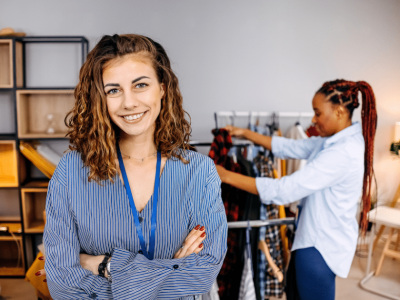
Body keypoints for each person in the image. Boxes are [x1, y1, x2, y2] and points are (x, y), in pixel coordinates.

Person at [41, 34, 227, 299]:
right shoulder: (71, 172)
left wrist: (103, 265)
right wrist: (167, 273)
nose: (128, 102)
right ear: (100, 99)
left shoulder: (199, 172)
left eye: (140, 85)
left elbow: (202, 274)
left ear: (162, 88)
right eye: (113, 90)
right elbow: (64, 286)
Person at [215, 80, 377, 300]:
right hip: (312, 240)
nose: (313, 119)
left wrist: (224, 175)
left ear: (339, 112)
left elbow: (284, 190)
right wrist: (245, 133)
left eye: (318, 113)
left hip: (318, 248)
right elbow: (291, 147)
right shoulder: (333, 142)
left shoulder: (343, 152)